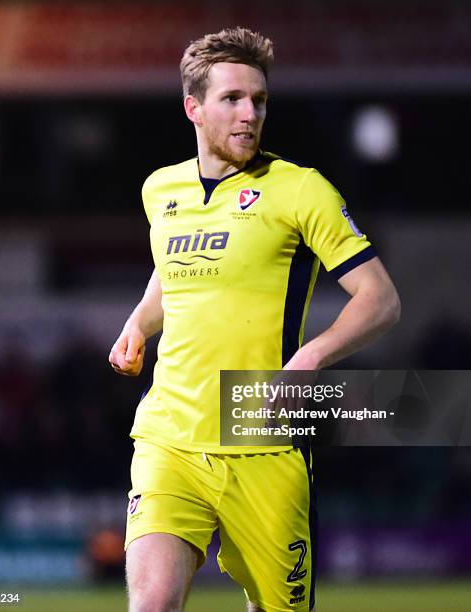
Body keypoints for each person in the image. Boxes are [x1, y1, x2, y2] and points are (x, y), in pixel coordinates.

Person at [109, 27, 400, 612]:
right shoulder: (159, 190)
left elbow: (380, 299)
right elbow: (173, 272)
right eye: (233, 99)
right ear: (193, 107)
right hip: (171, 433)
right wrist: (139, 323)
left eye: (259, 101)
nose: (250, 114)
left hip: (260, 434)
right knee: (153, 604)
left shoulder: (301, 191)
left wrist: (310, 357)